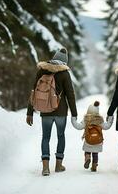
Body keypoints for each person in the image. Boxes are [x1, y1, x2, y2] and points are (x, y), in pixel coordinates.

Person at [26, 48, 77, 176]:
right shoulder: (65, 73)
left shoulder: (42, 71)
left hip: (45, 112)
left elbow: (34, 91)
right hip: (61, 112)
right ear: (64, 61)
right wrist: (74, 113)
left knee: (45, 137)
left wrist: (29, 112)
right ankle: (59, 165)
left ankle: (45, 167)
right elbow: (70, 94)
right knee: (61, 136)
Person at [71, 101, 113, 172]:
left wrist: (73, 119)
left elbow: (78, 126)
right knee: (95, 153)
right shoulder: (100, 120)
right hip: (97, 141)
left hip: (88, 140)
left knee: (87, 151)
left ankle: (87, 158)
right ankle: (94, 166)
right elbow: (106, 126)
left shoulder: (86, 120)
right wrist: (110, 119)